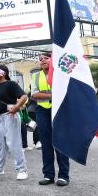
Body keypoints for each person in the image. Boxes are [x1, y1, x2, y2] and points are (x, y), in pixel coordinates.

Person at [0, 64, 28, 180]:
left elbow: (23, 96)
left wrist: (17, 107)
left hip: (10, 115)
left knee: (14, 143)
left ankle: (22, 170)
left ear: (4, 73)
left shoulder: (11, 84)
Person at [32, 52, 70, 186]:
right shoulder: (35, 76)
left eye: (45, 58)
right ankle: (48, 175)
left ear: (52, 59)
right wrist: (53, 95)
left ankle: (64, 176)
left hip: (58, 110)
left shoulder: (60, 74)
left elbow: (67, 91)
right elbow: (35, 94)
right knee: (46, 144)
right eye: (40, 59)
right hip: (42, 110)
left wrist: (49, 95)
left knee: (60, 142)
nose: (42, 61)